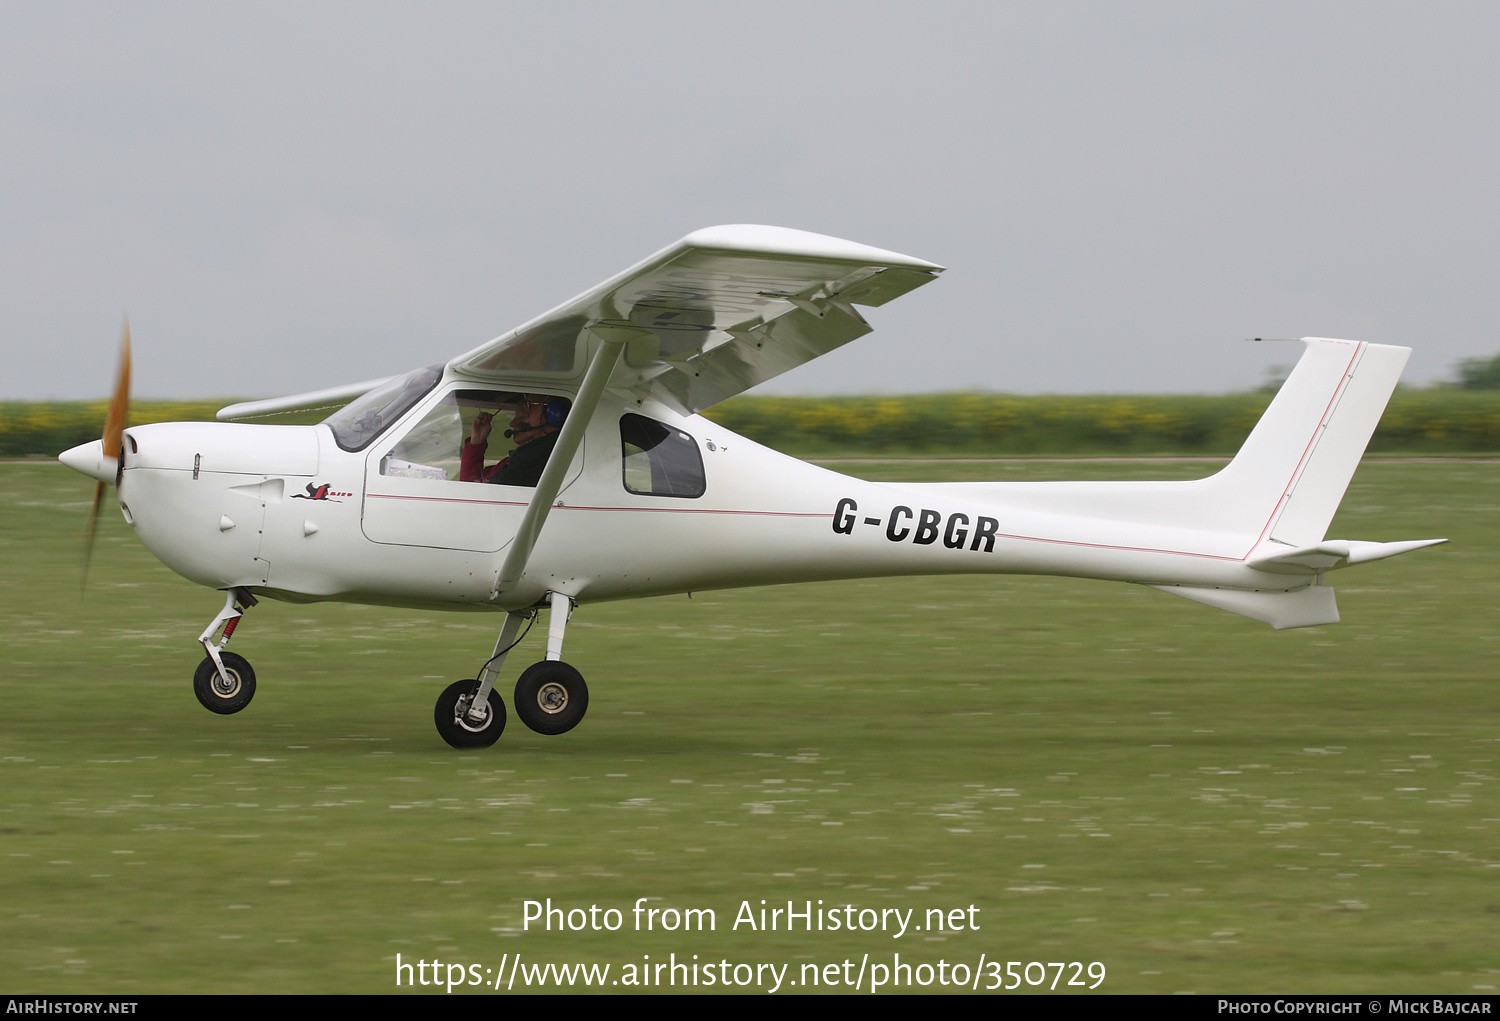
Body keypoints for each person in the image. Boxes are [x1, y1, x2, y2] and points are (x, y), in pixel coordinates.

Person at [459, 395, 566, 486]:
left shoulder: (538, 460)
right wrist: (477, 442)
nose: (512, 423)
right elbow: (470, 487)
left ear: (555, 413)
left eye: (527, 409)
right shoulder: (514, 461)